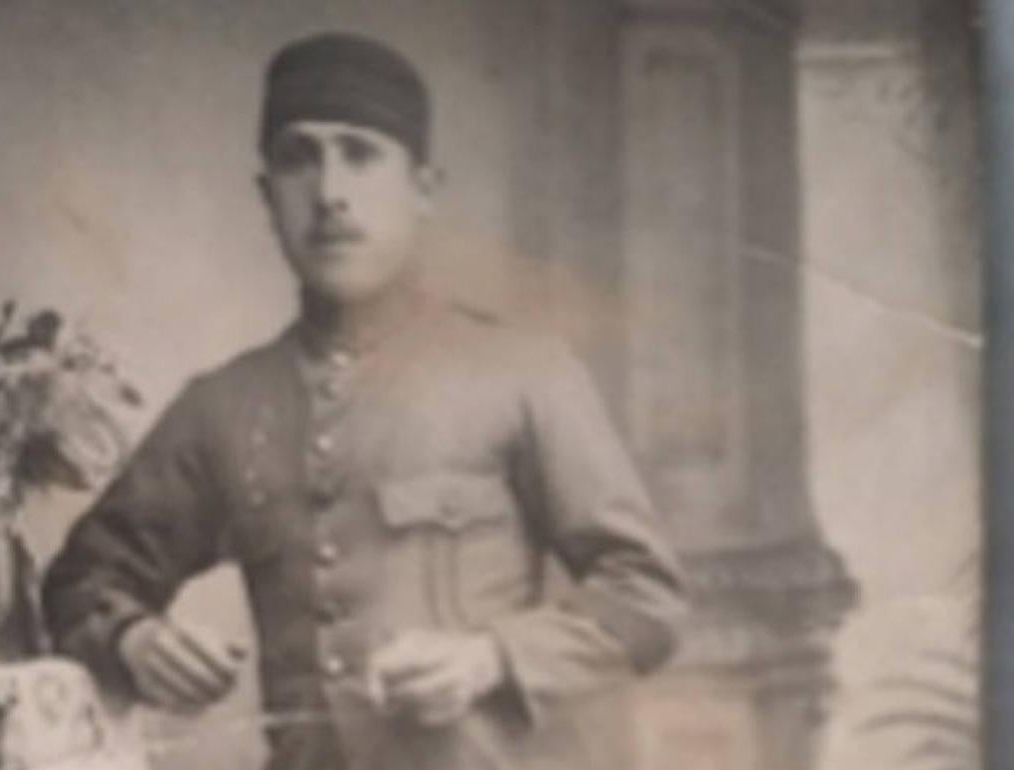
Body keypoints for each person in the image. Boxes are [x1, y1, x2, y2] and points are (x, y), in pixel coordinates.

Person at [43, 31, 686, 770]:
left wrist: (490, 657)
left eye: (360, 153)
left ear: (423, 188)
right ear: (266, 196)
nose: (330, 193)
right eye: (297, 157)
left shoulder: (523, 373)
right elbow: (81, 579)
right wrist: (134, 639)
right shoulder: (224, 406)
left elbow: (647, 597)